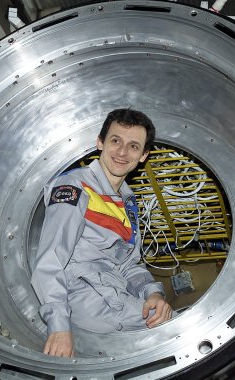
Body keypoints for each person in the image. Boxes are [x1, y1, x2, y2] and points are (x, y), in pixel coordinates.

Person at [31, 108, 173, 357]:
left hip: (116, 296)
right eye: (115, 141)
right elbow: (51, 258)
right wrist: (59, 327)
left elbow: (128, 264)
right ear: (100, 142)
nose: (122, 152)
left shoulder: (127, 202)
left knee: (171, 321)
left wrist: (153, 294)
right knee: (179, 334)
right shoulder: (75, 186)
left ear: (143, 156)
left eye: (133, 146)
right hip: (87, 297)